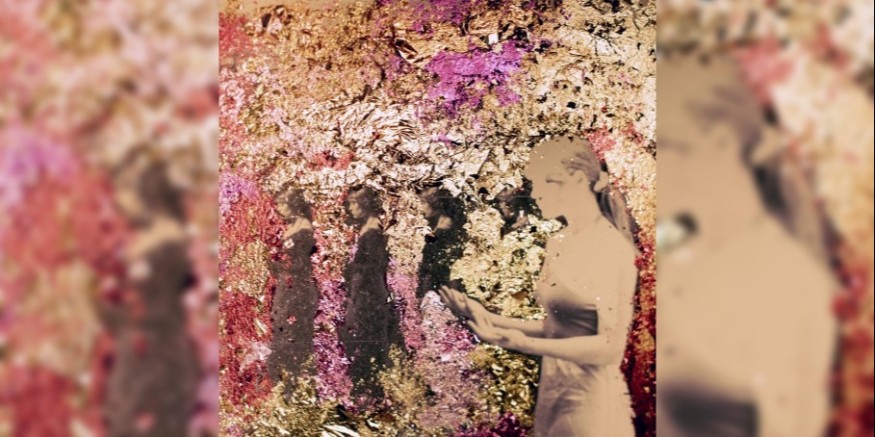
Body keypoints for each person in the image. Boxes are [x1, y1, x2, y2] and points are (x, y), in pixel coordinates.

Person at [440, 137, 638, 436]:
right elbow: (559, 328)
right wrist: (486, 317)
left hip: (591, 409)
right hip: (553, 400)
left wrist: (520, 343)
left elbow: (610, 348)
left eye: (544, 181)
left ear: (577, 179)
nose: (534, 193)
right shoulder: (559, 242)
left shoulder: (610, 247)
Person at [104, 149, 200, 436]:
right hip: (139, 346)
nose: (120, 199)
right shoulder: (148, 237)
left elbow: (159, 306)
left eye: (125, 189)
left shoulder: (168, 240)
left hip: (157, 351)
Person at [340, 186, 404, 400]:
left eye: (353, 203)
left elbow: (374, 265)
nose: (350, 208)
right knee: (366, 336)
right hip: (367, 291)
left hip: (371, 292)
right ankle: (370, 384)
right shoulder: (368, 228)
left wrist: (354, 273)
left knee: (370, 336)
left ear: (365, 203)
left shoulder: (373, 231)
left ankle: (372, 386)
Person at [267, 186, 319, 396]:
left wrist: (278, 266)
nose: (279, 208)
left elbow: (301, 262)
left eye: (282, 204)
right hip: (286, 284)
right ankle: (285, 381)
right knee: (281, 326)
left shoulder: (304, 227)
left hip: (298, 286)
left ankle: (296, 382)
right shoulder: (291, 226)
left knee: (294, 329)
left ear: (293, 204)